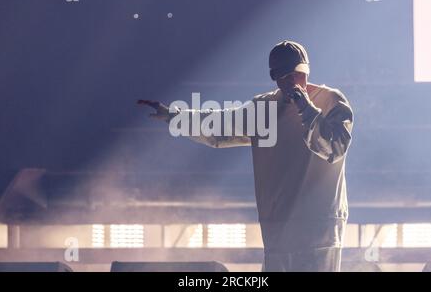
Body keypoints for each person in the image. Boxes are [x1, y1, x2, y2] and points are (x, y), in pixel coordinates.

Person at [140, 40, 354, 271]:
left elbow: (335, 146)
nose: (291, 82)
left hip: (317, 229)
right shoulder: (265, 108)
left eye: (296, 74)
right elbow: (219, 127)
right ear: (274, 76)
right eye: (283, 77)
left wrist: (307, 108)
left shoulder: (331, 100)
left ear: (306, 70)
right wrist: (175, 117)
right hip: (279, 229)